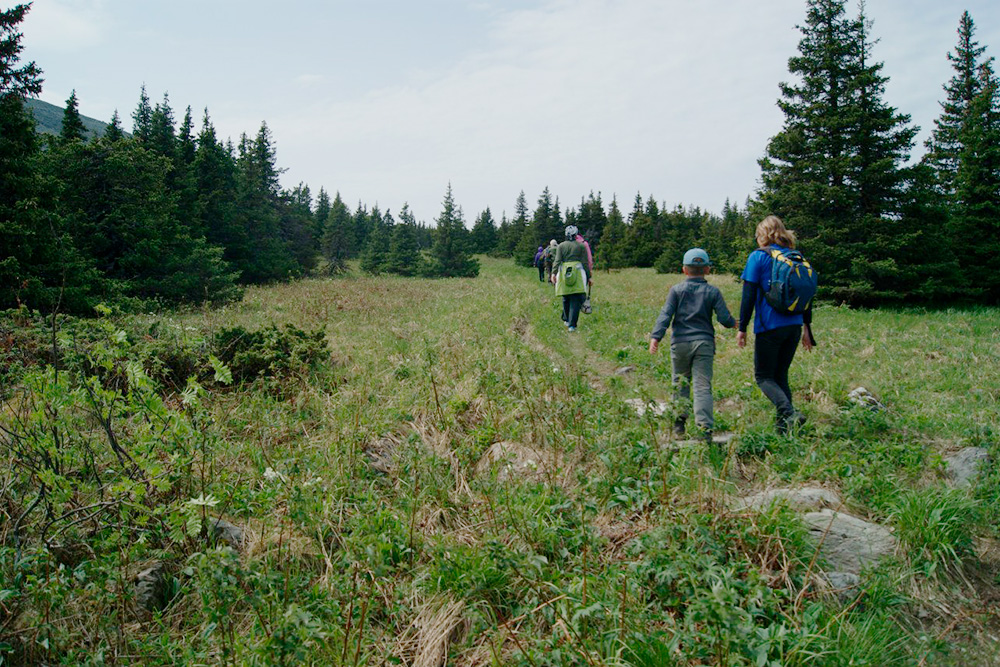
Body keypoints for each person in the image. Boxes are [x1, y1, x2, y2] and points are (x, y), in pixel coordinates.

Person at [649, 248, 737, 442]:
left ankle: (679, 427)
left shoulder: (676, 291)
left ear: (684, 270)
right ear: (707, 269)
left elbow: (666, 315)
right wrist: (735, 323)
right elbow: (724, 318)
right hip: (704, 344)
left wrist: (656, 337)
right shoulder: (713, 292)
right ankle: (704, 430)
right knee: (702, 385)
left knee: (680, 383)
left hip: (679, 343)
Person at [737, 215, 815, 434]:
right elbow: (807, 297)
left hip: (769, 326)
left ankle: (789, 413)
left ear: (763, 234)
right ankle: (784, 430)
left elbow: (748, 295)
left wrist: (742, 328)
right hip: (794, 326)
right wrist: (807, 329)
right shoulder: (797, 257)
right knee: (780, 375)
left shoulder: (758, 257)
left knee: (763, 377)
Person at [551, 226, 590, 331]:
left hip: (564, 273)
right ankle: (572, 325)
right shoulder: (581, 246)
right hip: (577, 273)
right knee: (575, 299)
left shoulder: (561, 246)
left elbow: (557, 261)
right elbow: (585, 263)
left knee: (566, 297)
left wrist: (553, 273)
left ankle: (567, 319)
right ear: (576, 234)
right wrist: (589, 276)